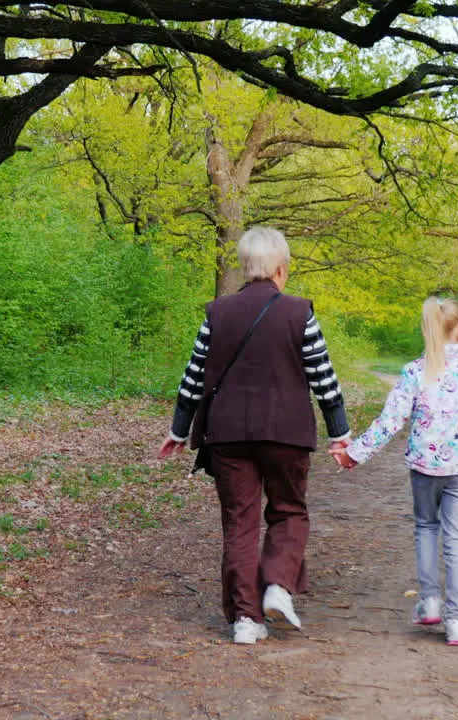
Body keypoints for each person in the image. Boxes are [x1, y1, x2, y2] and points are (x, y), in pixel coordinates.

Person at [159, 226, 351, 645]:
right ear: (281, 269)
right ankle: (279, 586)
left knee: (240, 523)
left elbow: (193, 378)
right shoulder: (299, 312)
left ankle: (246, 620)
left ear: (246, 268)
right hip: (286, 433)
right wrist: (341, 433)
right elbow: (324, 379)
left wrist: (178, 429)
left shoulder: (217, 312)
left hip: (227, 434)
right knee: (288, 510)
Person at [331, 296, 458, 646]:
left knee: (427, 529)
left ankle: (430, 601)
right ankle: (456, 621)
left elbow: (390, 421)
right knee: (456, 540)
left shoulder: (414, 372)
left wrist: (354, 454)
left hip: (423, 470)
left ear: (427, 331)